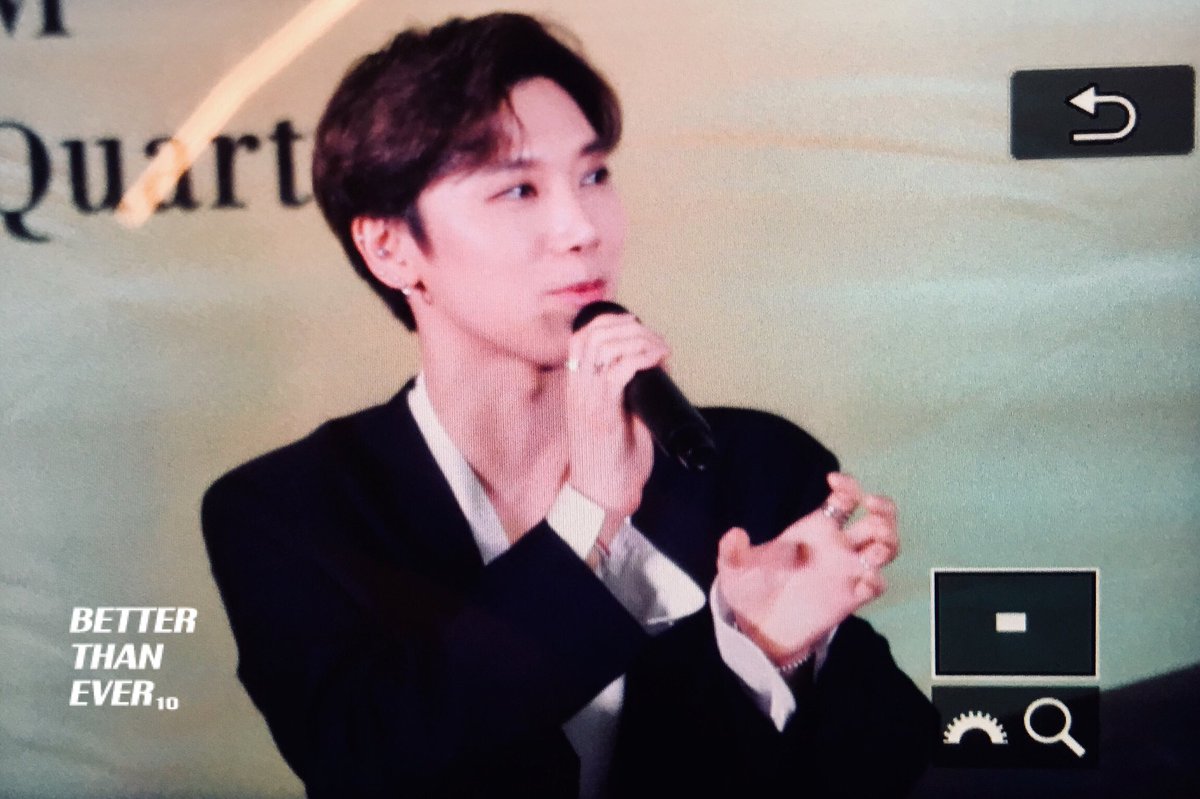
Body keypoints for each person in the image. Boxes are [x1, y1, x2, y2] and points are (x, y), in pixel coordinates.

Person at [201, 12, 938, 799]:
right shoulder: (288, 510)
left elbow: (900, 765)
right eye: (518, 188)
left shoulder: (750, 463)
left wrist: (767, 652)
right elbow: (374, 760)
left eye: (593, 176)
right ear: (392, 247)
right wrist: (589, 514)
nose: (582, 228)